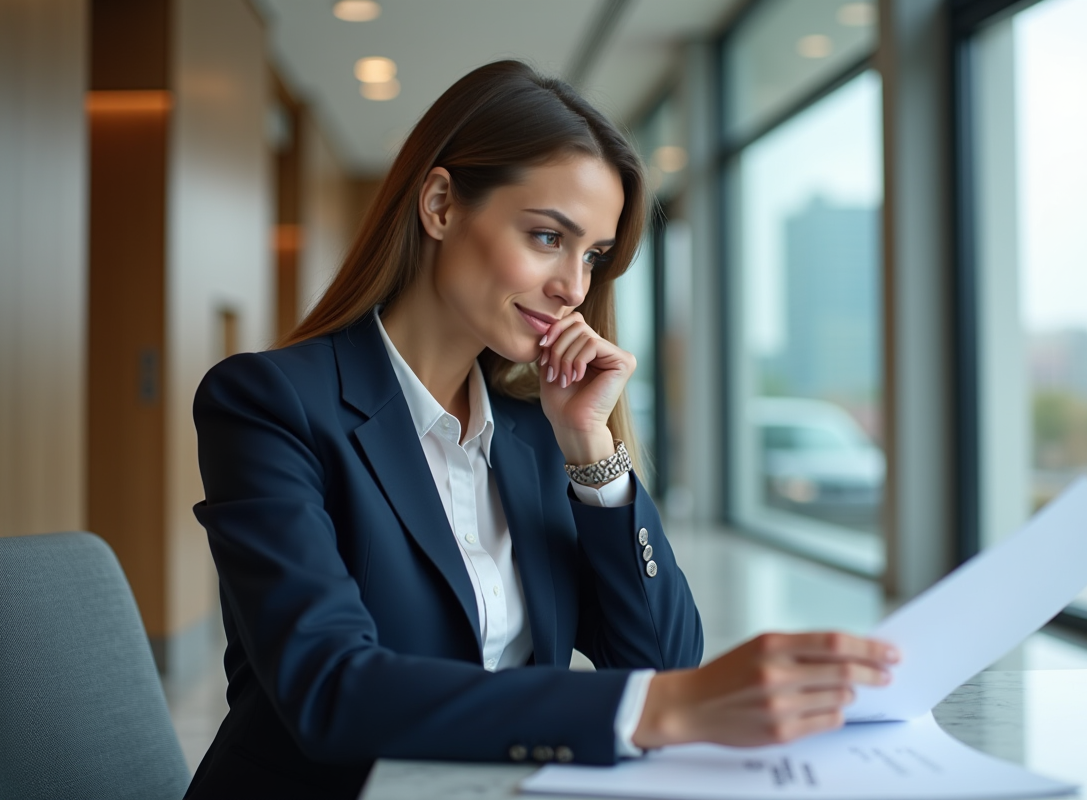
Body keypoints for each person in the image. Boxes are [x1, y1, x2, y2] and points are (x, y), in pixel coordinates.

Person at [185, 60, 898, 800]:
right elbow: (330, 689)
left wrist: (595, 455)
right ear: (439, 204)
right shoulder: (272, 404)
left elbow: (661, 657)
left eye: (592, 255)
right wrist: (665, 710)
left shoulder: (531, 436)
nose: (575, 288)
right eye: (547, 237)